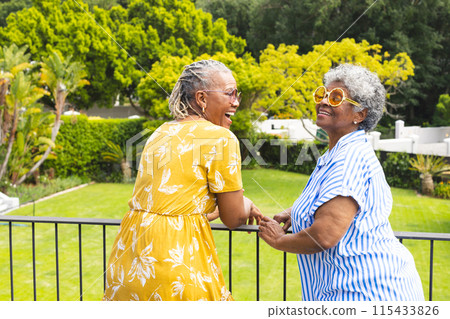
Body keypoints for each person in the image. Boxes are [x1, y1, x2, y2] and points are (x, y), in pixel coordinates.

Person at [258, 64, 424, 301]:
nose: (324, 102)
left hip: (367, 294)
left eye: (336, 98)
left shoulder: (350, 158)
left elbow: (324, 235)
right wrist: (296, 211)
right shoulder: (336, 154)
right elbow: (334, 201)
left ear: (360, 114)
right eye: (322, 94)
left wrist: (279, 240)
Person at [103, 60, 263, 301]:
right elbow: (233, 218)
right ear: (202, 99)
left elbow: (168, 204)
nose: (236, 101)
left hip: (129, 260)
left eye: (236, 94)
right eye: (230, 93)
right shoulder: (221, 138)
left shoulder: (160, 132)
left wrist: (210, 210)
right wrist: (247, 204)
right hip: (178, 264)